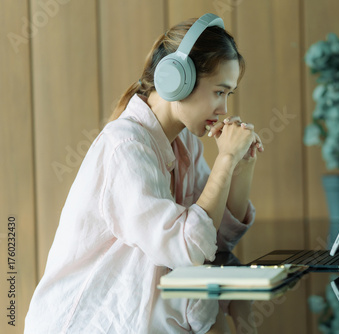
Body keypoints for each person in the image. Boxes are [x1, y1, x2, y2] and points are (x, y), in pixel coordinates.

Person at [25, 13, 262, 333]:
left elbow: (214, 238)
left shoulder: (185, 143)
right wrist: (225, 160)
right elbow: (189, 249)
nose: (223, 109)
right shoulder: (125, 147)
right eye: (219, 92)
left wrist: (240, 166)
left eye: (228, 95)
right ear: (178, 80)